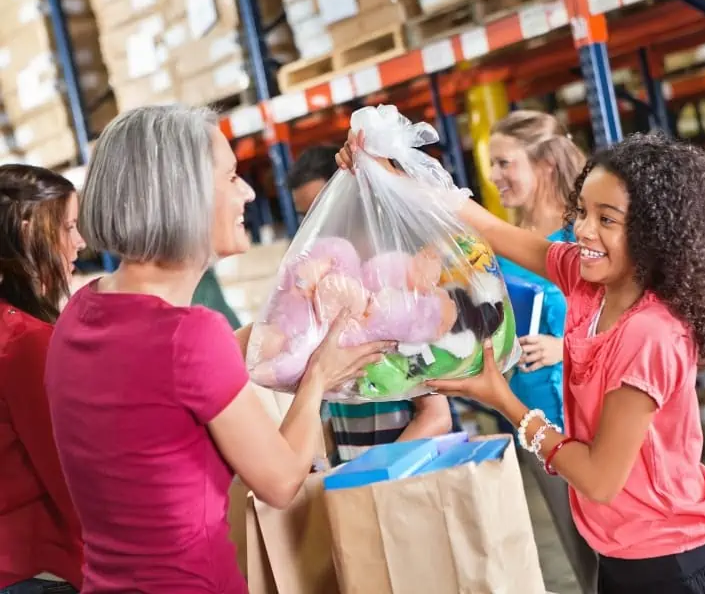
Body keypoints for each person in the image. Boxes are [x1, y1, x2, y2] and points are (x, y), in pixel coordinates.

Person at [337, 132, 705, 594]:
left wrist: (503, 400)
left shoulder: (649, 334)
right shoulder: (590, 284)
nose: (583, 230)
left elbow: (599, 480)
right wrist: (391, 177)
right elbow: (490, 228)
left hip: (675, 564)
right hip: (628, 556)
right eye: (582, 212)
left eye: (607, 219)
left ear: (654, 234)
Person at [44, 105, 392, 593]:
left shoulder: (82, 310)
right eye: (231, 177)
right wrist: (318, 378)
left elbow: (161, 390)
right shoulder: (190, 334)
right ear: (183, 197)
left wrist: (290, 315)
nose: (248, 191)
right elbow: (279, 480)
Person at [489, 111, 598, 593]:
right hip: (536, 423)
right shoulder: (505, 246)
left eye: (503, 163)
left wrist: (563, 347)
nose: (494, 176)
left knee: (618, 553)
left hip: (590, 424)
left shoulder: (584, 237)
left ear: (546, 167)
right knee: (582, 559)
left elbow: (632, 327)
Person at [288, 145, 453, 464]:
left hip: (406, 475)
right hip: (357, 478)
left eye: (321, 209)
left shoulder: (398, 287)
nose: (314, 224)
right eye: (303, 215)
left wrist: (372, 474)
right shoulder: (326, 295)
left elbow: (435, 416)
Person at [0, 165, 85, 593]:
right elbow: (67, 474)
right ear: (29, 228)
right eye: (68, 226)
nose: (79, 242)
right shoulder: (25, 342)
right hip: (38, 571)